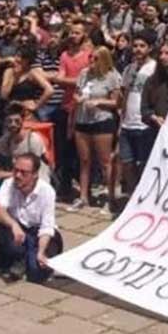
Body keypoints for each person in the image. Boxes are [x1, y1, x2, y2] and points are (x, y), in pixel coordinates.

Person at [0, 152, 63, 283]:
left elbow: (47, 227)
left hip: (38, 233)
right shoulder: (8, 184)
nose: (17, 175)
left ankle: (26, 257)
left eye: (24, 173)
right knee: (2, 224)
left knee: (36, 273)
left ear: (34, 175)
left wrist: (41, 252)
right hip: (18, 230)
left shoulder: (47, 192)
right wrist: (13, 225)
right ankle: (17, 256)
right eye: (16, 170)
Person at [70, 45, 120, 214]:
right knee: (84, 160)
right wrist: (78, 99)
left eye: (96, 58)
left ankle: (110, 198)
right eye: (90, 57)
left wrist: (99, 102)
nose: (91, 61)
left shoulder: (111, 76)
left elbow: (116, 102)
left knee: (105, 161)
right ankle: (84, 196)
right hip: (83, 119)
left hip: (102, 120)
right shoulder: (84, 74)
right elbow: (76, 93)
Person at [116, 30, 157, 200]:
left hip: (145, 125)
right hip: (127, 123)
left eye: (142, 46)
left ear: (150, 48)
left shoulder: (154, 68)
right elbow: (124, 95)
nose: (138, 49)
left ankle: (145, 198)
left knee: (144, 164)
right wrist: (121, 120)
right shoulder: (129, 69)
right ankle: (132, 196)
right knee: (127, 162)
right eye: (135, 46)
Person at [0, 103, 52, 184]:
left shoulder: (33, 139)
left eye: (17, 121)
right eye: (9, 121)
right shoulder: (7, 138)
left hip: (36, 181)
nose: (13, 124)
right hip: (17, 178)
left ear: (23, 121)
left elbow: (31, 171)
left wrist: (1, 174)